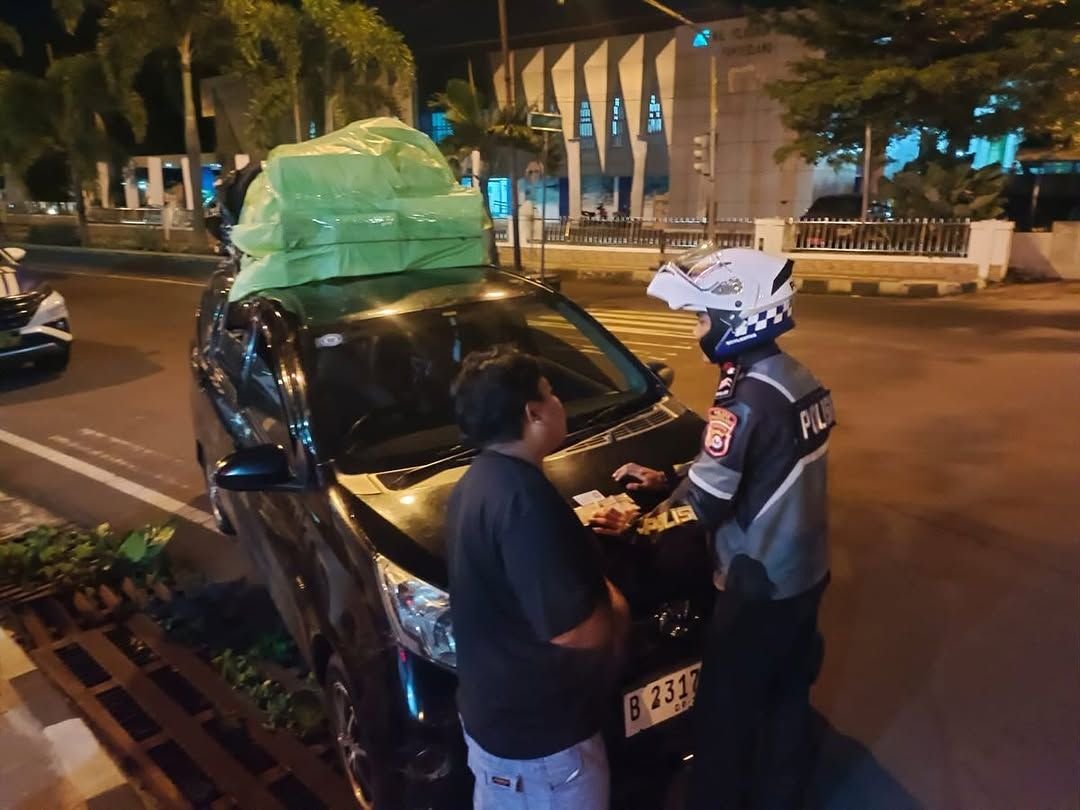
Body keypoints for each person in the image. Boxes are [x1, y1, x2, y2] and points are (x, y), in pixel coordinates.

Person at [591, 246, 835, 810]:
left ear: (735, 317)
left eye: (702, 317)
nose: (698, 329)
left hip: (758, 584)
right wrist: (668, 475)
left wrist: (633, 522)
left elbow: (705, 503)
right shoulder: (797, 378)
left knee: (725, 714)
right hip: (806, 570)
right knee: (788, 698)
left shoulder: (742, 400)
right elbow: (757, 466)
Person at [446, 346, 630, 810]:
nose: (558, 403)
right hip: (545, 749)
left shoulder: (478, 481)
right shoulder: (523, 502)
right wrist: (615, 602)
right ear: (532, 413)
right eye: (551, 394)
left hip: (502, 730)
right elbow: (577, 630)